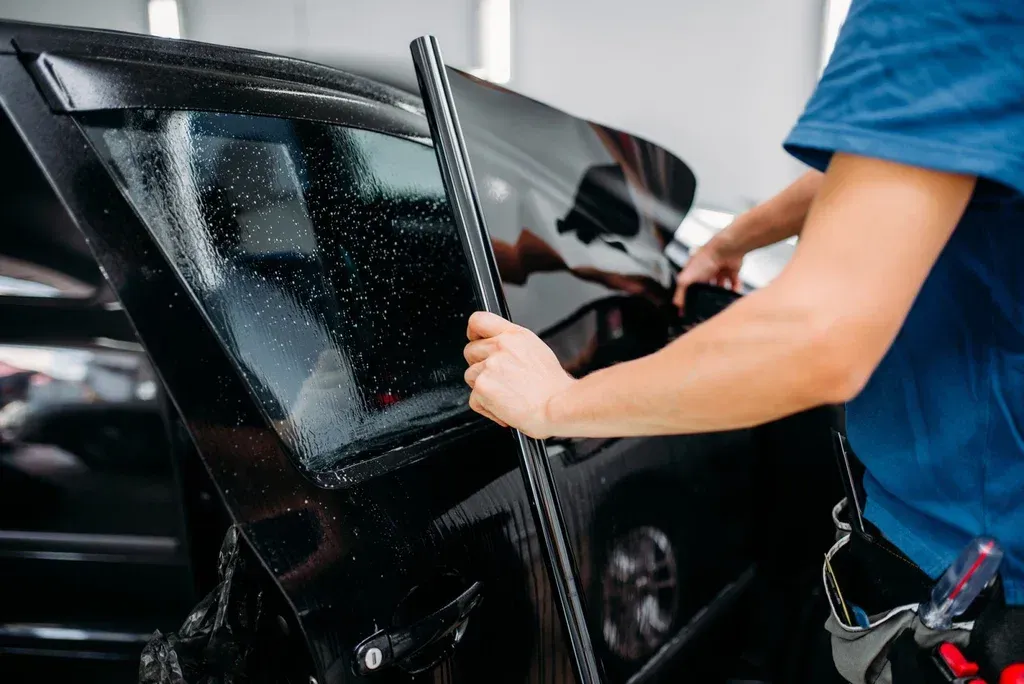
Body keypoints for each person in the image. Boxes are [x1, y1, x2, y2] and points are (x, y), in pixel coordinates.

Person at [462, 0, 1024, 678]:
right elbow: (900, 163)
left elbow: (817, 336)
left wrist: (556, 404)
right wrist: (734, 239)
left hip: (974, 599)